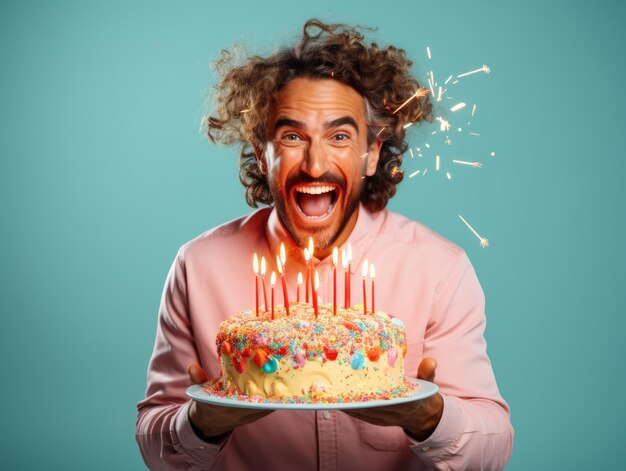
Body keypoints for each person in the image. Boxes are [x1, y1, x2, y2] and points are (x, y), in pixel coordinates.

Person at [136, 19, 514, 470]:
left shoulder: (439, 268)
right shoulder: (198, 266)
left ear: (371, 154)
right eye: (292, 136)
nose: (315, 165)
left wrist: (430, 417)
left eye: (340, 136)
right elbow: (155, 445)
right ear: (262, 152)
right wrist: (200, 423)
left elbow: (493, 447)